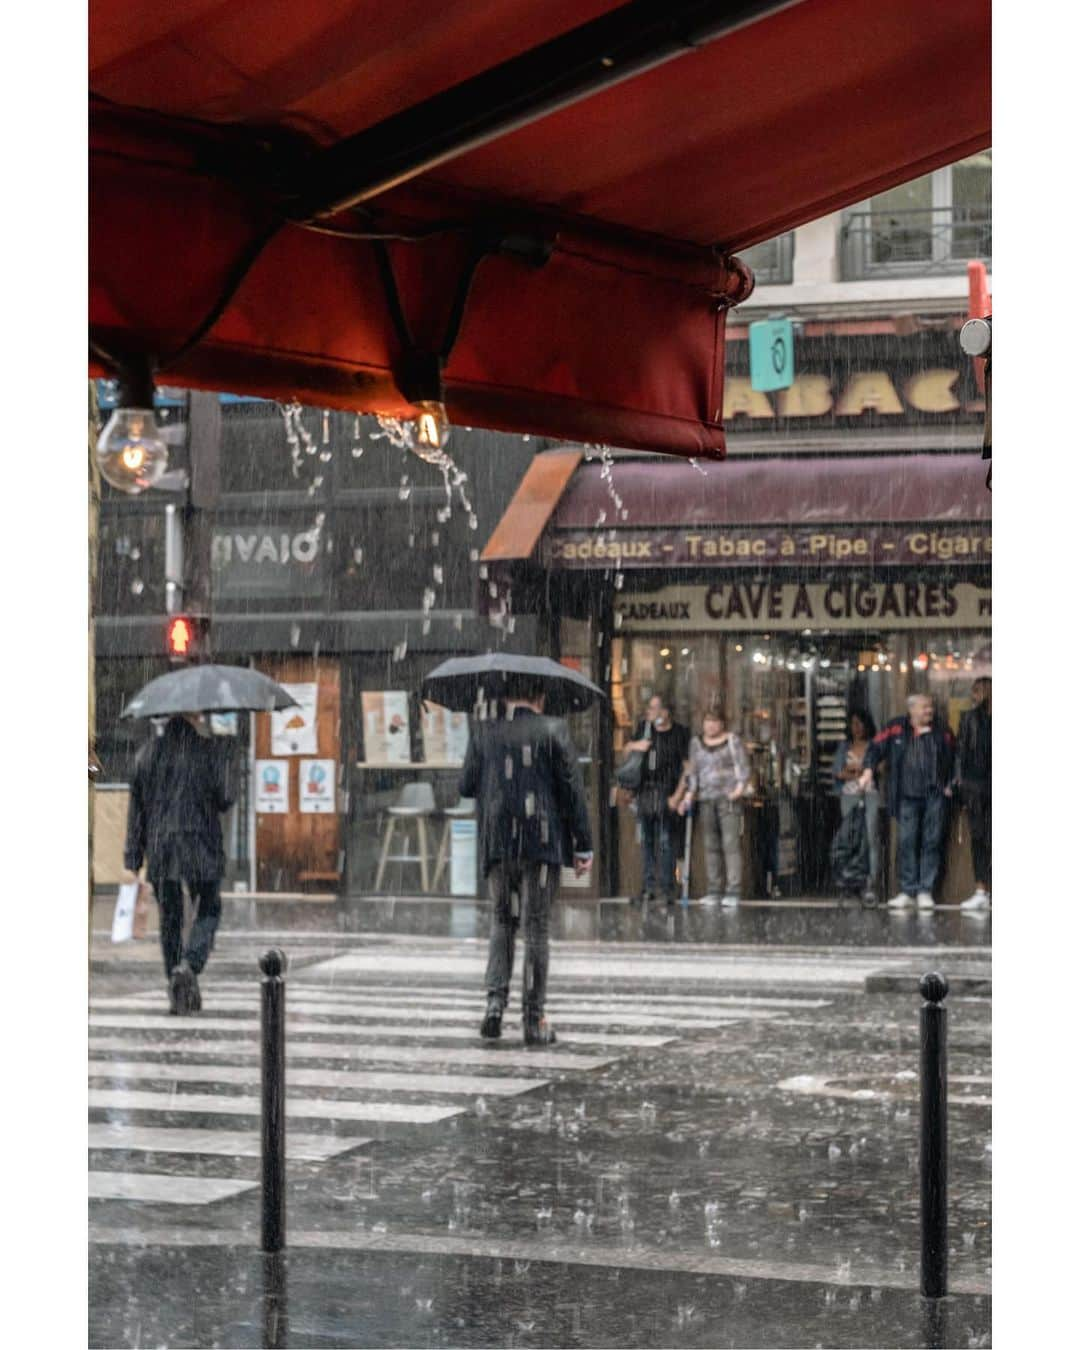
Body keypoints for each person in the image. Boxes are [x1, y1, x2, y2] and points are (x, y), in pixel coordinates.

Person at [460, 676, 593, 1045]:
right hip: (542, 843)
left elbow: (466, 786)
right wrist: (583, 846)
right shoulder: (553, 729)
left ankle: (494, 1004)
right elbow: (572, 792)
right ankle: (533, 1019)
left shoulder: (485, 731)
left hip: (498, 843)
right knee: (536, 927)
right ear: (540, 695)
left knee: (502, 921)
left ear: (505, 698)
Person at [123, 714, 236, 1014]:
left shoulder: (146, 755)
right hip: (201, 844)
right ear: (193, 719)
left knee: (170, 920)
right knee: (209, 907)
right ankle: (191, 964)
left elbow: (137, 812)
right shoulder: (208, 751)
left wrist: (133, 857)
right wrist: (223, 753)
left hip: (162, 847)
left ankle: (176, 981)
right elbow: (226, 798)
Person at [859, 694, 954, 911]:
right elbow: (875, 747)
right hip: (907, 795)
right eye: (924, 707)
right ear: (911, 710)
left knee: (932, 842)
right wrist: (867, 771)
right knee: (907, 842)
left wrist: (951, 784)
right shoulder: (896, 728)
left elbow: (954, 757)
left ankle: (925, 891)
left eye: (930, 707)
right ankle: (908, 891)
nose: (929, 711)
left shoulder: (942, 731)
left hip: (935, 794)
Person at [674, 705, 750, 906]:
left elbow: (742, 768)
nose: (710, 725)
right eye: (707, 721)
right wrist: (689, 796)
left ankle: (733, 889)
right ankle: (714, 889)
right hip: (706, 798)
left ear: (721, 723)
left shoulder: (732, 741)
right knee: (710, 845)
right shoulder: (696, 743)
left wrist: (738, 790)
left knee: (730, 844)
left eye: (714, 721)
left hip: (728, 798)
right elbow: (694, 771)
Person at [623, 694, 690, 904]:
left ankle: (667, 888)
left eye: (655, 708)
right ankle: (648, 887)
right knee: (647, 842)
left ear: (665, 711)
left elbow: (688, 769)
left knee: (666, 842)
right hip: (645, 791)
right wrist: (636, 746)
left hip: (666, 790)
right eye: (649, 708)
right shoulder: (645, 729)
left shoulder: (679, 733)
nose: (650, 713)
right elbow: (626, 751)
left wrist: (677, 796)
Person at [832, 708, 881, 903]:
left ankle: (871, 882)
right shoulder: (845, 746)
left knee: (870, 837)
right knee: (851, 838)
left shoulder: (874, 746)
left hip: (870, 795)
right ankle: (851, 881)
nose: (857, 728)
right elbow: (838, 772)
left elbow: (880, 768)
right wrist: (861, 771)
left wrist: (855, 771)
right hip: (849, 796)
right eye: (853, 724)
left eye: (860, 723)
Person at [956, 677, 991, 911]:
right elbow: (961, 755)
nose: (974, 696)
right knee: (979, 839)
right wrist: (964, 790)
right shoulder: (969, 719)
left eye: (978, 691)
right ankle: (981, 890)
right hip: (977, 788)